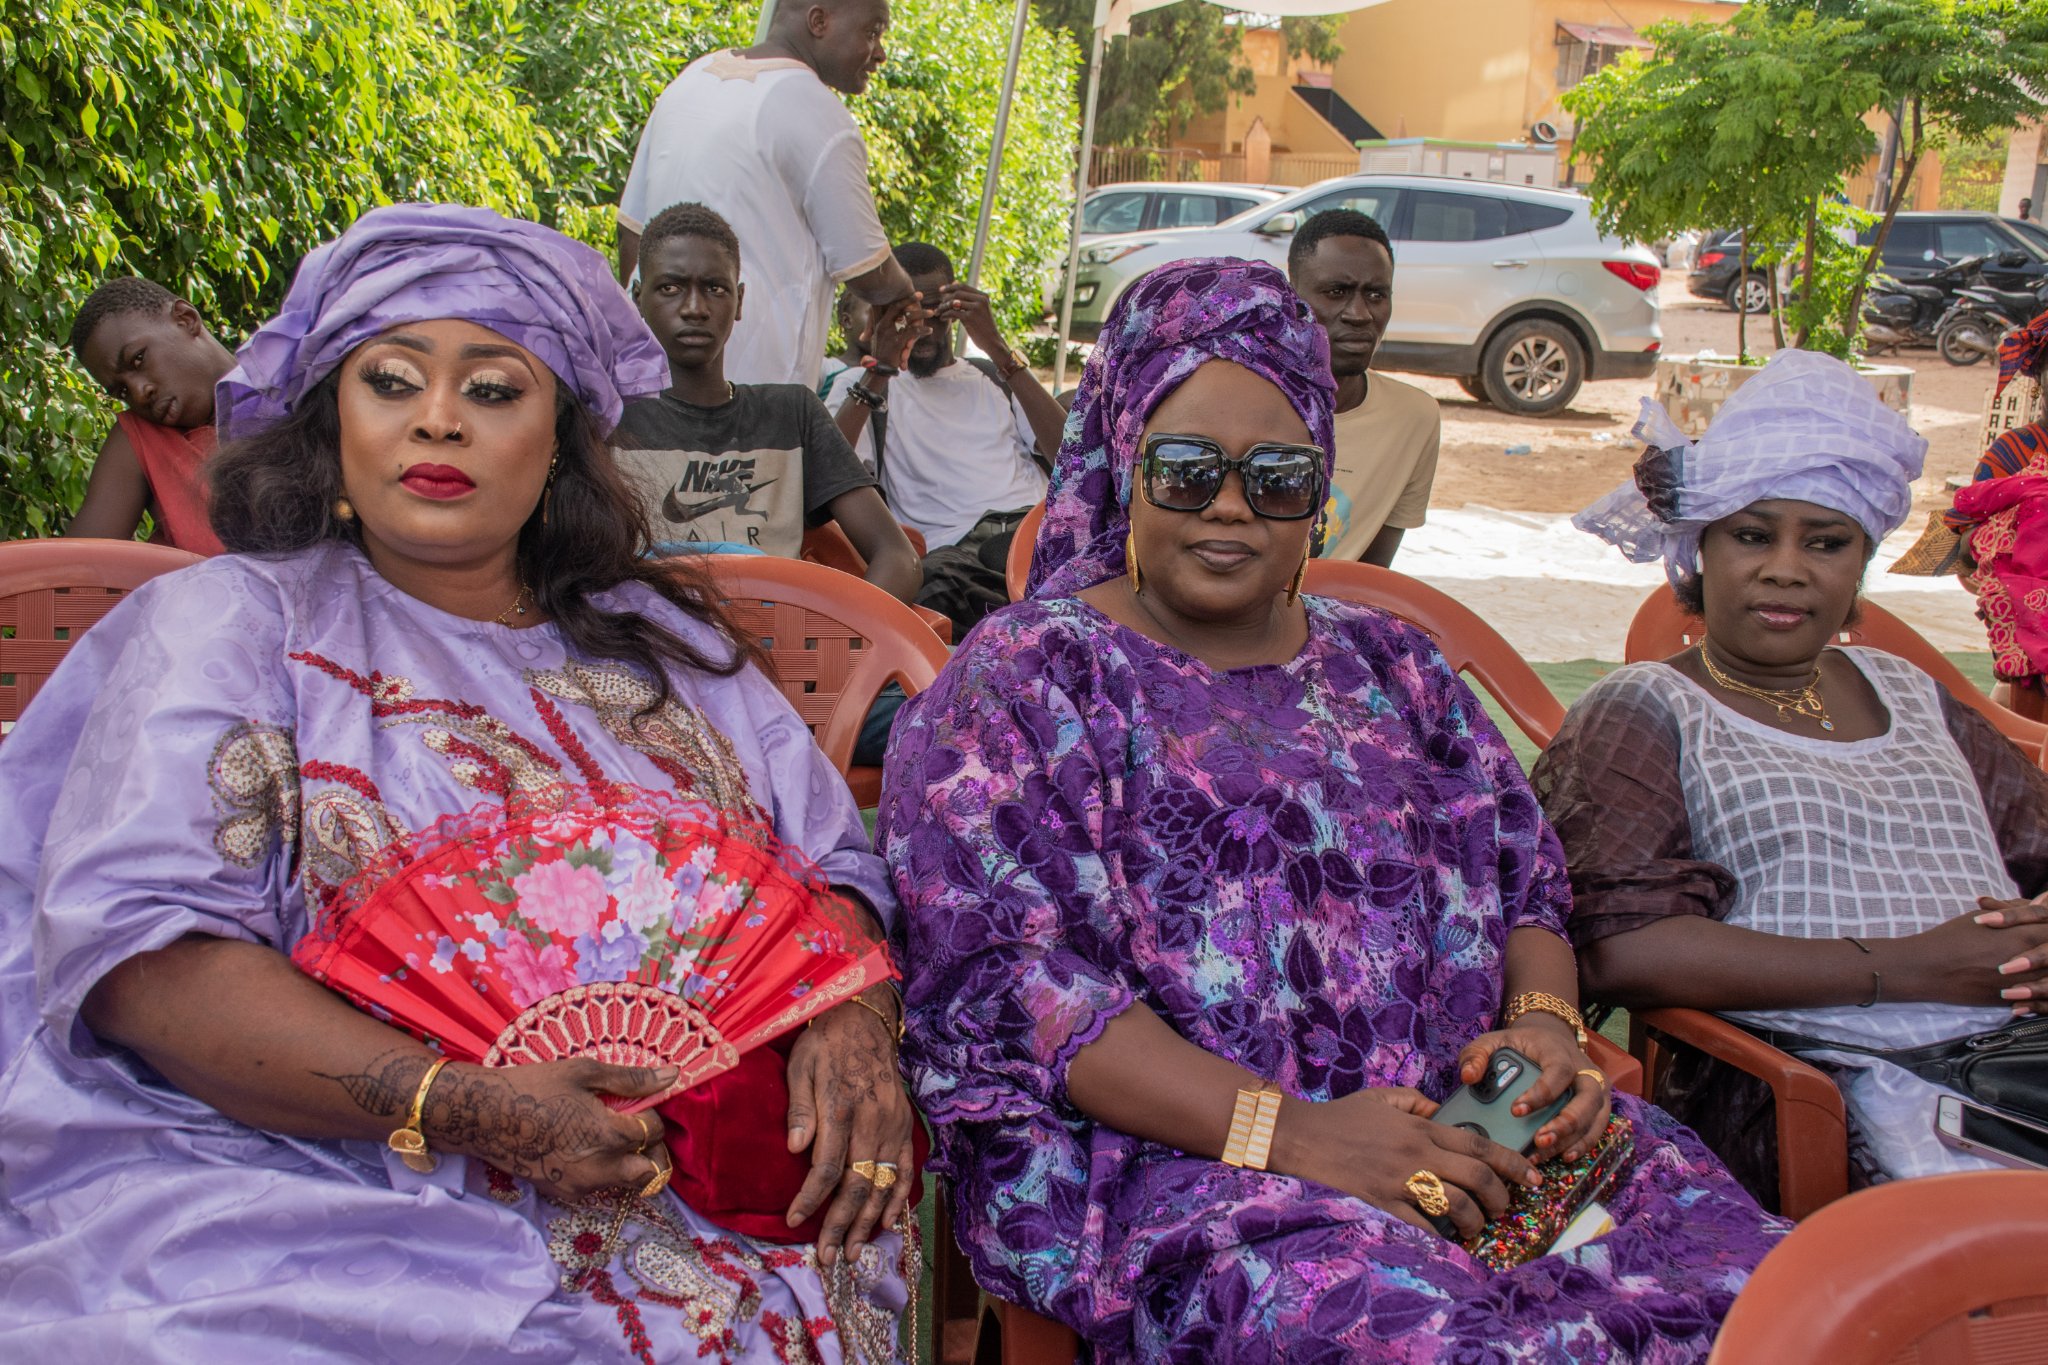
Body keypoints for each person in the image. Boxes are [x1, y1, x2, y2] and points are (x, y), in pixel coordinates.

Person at [0, 204, 920, 1361]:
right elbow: (143, 958)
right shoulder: (228, 623)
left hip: (702, 1185)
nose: (438, 418)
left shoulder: (662, 642)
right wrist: (464, 1105)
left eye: (493, 389)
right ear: (331, 417)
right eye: (391, 381)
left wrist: (845, 1018)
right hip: (303, 1172)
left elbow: (829, 873)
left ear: (560, 436)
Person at [876, 259, 1783, 1361]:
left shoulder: (1391, 665)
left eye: (1273, 476)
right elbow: (1020, 991)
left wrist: (1545, 1037)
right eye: (1184, 469)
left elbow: (1521, 876)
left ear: (1318, 489)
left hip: (1477, 1146)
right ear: (1123, 466)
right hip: (1193, 1178)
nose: (1226, 505)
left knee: (1783, 1303)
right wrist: (1298, 1137)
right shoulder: (1027, 682)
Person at [1538, 349, 2048, 1197]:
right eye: (1751, 534)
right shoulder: (1646, 708)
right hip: (1818, 1087)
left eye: (1826, 541)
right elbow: (1621, 947)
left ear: (1859, 569)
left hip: (2016, 1064)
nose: (1786, 567)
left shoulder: (1913, 691)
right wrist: (1913, 967)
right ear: (1699, 552)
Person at [615, 202, 920, 603]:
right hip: (649, 650)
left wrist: (833, 648)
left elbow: (898, 556)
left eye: (715, 288)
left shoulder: (791, 413)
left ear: (739, 301)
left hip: (779, 652)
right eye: (670, 287)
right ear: (638, 297)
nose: (694, 308)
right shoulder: (608, 419)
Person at [617, 0, 920, 390]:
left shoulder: (690, 81)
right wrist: (905, 298)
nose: (880, 53)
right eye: (872, 32)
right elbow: (870, 274)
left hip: (649, 384)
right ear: (819, 20)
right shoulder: (817, 112)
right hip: (753, 400)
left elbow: (632, 234)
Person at [823, 242, 1064, 632]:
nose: (926, 330)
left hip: (1038, 533)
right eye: (909, 315)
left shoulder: (992, 375)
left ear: (955, 307)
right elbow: (828, 472)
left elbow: (1072, 457)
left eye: (936, 312)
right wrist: (881, 368)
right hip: (958, 561)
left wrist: (998, 347)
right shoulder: (862, 387)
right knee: (929, 590)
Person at [1286, 209, 1440, 568]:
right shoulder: (1238, 404)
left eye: (1375, 294)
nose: (1359, 314)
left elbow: (1372, 579)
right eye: (1336, 292)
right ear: (1292, 299)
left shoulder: (1413, 419)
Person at [64, 276, 233, 554]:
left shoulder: (297, 395)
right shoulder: (140, 440)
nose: (140, 393)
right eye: (122, 391)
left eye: (138, 359)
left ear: (186, 318)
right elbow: (72, 574)